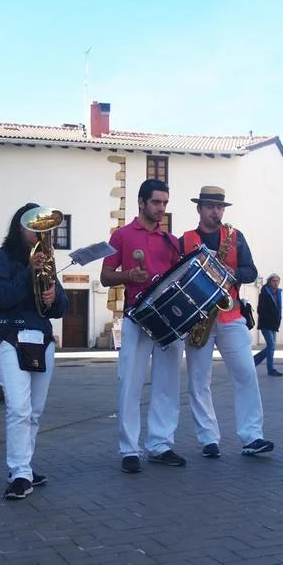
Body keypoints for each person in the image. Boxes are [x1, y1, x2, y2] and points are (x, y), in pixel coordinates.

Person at [181, 186, 274, 459]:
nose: (216, 211)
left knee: (246, 373)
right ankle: (208, 439)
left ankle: (252, 436)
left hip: (230, 314)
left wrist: (235, 272)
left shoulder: (235, 237)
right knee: (199, 381)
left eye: (220, 207)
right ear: (199, 208)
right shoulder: (185, 240)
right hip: (198, 317)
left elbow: (251, 271)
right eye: (210, 206)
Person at [100, 179, 185, 473]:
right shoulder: (121, 235)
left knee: (167, 385)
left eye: (165, 203)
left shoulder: (171, 241)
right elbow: (105, 276)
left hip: (167, 320)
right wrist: (128, 276)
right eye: (156, 202)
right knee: (130, 385)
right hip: (136, 317)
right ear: (141, 202)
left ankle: (161, 445)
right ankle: (129, 450)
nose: (161, 208)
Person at [0, 204, 68, 499]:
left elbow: (60, 308)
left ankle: (24, 468)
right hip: (11, 337)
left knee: (34, 412)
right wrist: (29, 272)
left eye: (44, 229)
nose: (40, 234)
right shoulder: (0, 258)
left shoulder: (47, 261)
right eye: (34, 228)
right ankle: (19, 472)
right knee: (19, 409)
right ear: (19, 228)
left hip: (41, 339)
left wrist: (54, 296)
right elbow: (1, 296)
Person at [254, 273, 283, 376]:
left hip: (274, 324)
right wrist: (265, 318)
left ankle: (253, 362)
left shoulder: (278, 293)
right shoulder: (264, 293)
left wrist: (278, 319)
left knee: (272, 347)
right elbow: (260, 309)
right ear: (269, 282)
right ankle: (270, 369)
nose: (276, 283)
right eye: (273, 281)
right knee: (271, 346)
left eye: (277, 281)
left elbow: (279, 308)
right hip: (266, 323)